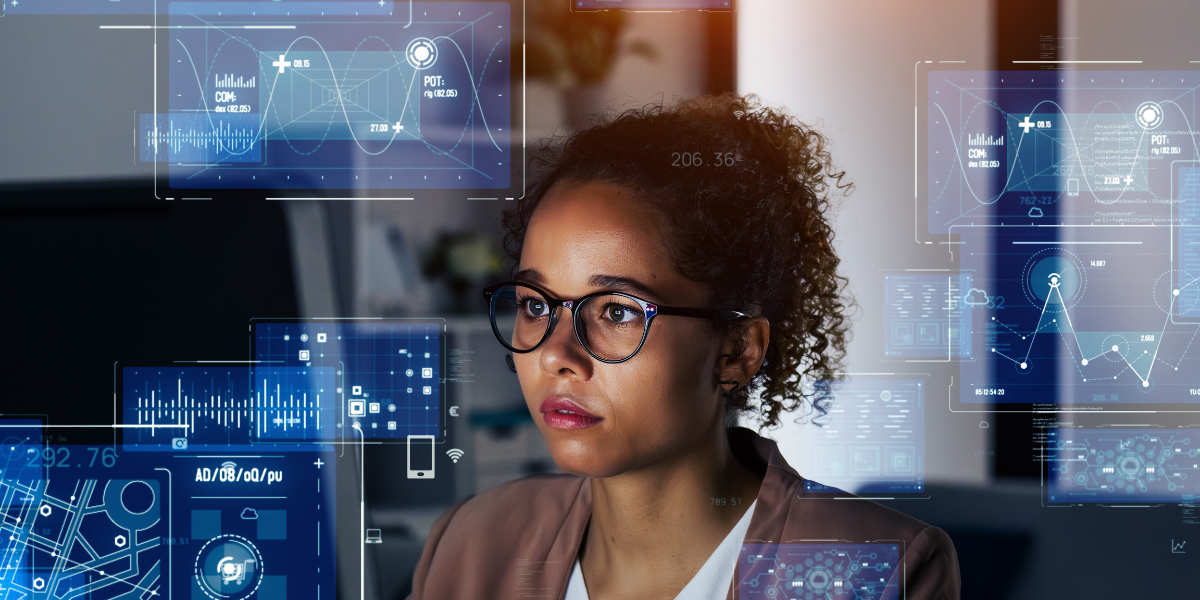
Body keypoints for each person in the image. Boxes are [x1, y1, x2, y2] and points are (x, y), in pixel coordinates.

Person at [406, 94, 960, 599]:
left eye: (617, 312)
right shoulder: (470, 547)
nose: (555, 355)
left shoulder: (879, 572)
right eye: (535, 305)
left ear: (737, 350)